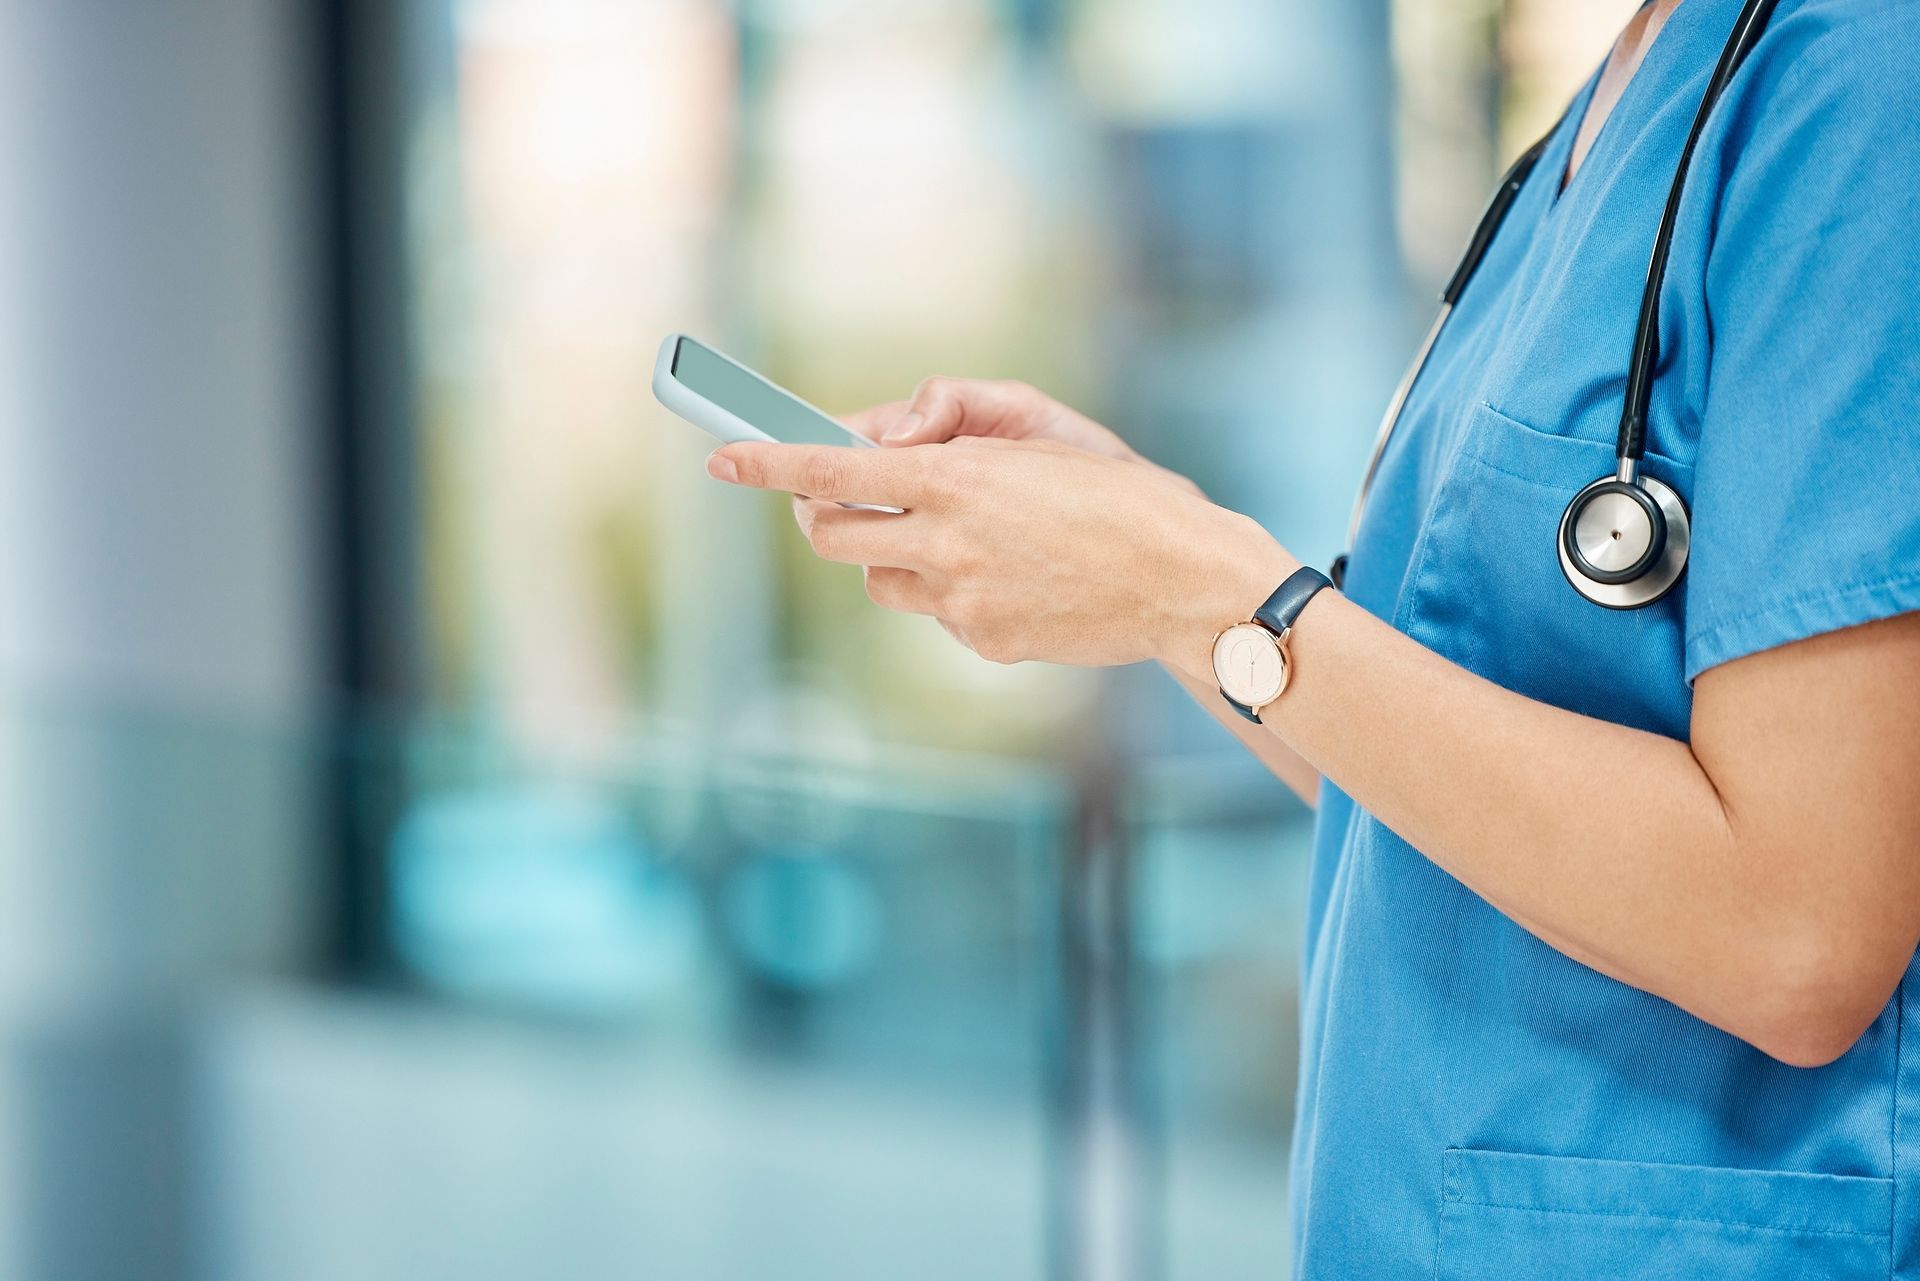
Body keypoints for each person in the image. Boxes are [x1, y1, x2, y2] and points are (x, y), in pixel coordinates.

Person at [704, 0, 1920, 1273]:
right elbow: (1428, 788)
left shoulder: (1857, 79)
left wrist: (1199, 588)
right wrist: (1154, 565)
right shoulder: (1610, 103)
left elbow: (1798, 934)